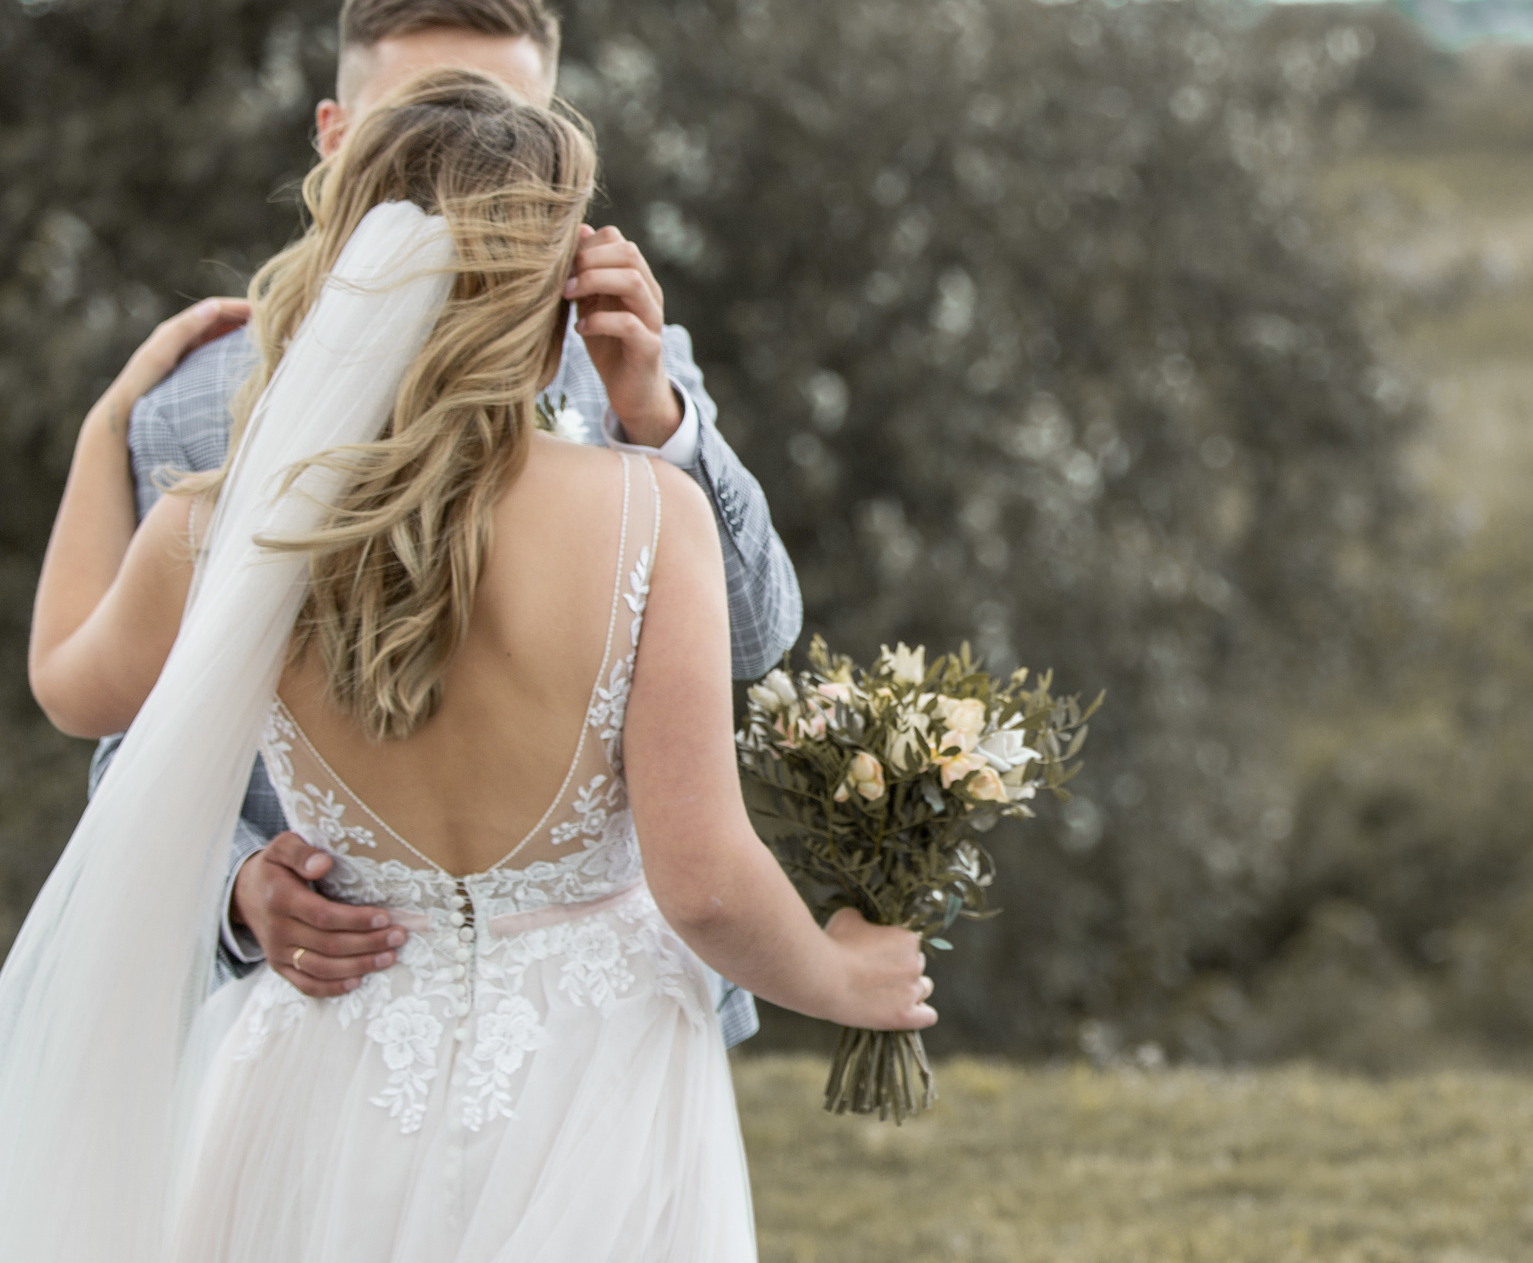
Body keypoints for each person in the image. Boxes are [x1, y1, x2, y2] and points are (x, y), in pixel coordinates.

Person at [13, 69, 933, 1257]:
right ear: (559, 280)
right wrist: (843, 978)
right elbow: (702, 881)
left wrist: (106, 430)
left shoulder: (220, 527)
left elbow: (65, 682)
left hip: (323, 1075)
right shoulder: (649, 516)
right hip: (587, 1085)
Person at [91, 0, 797, 1046]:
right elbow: (142, 725)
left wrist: (659, 419)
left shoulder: (632, 363)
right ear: (336, 139)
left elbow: (758, 643)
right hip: (345, 1005)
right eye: (425, 122)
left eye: (506, 122)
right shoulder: (196, 410)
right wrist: (234, 888)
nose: (472, 162)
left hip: (604, 1009)